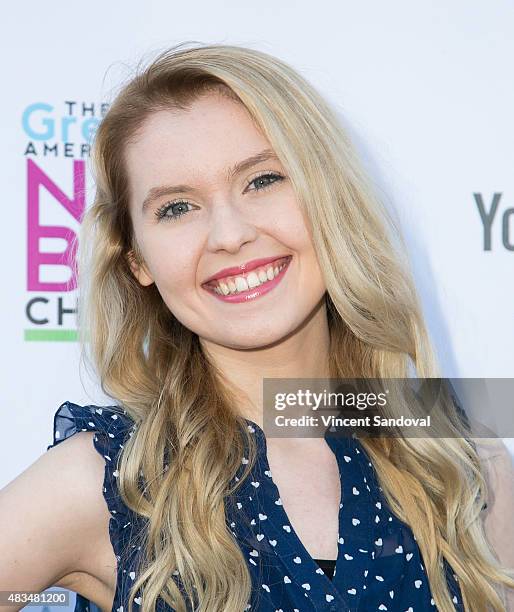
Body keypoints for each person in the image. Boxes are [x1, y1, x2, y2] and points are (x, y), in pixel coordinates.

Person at [1, 42, 514, 612]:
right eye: (176, 208)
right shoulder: (109, 482)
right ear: (138, 261)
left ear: (327, 196)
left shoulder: (458, 458)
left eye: (262, 180)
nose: (229, 233)